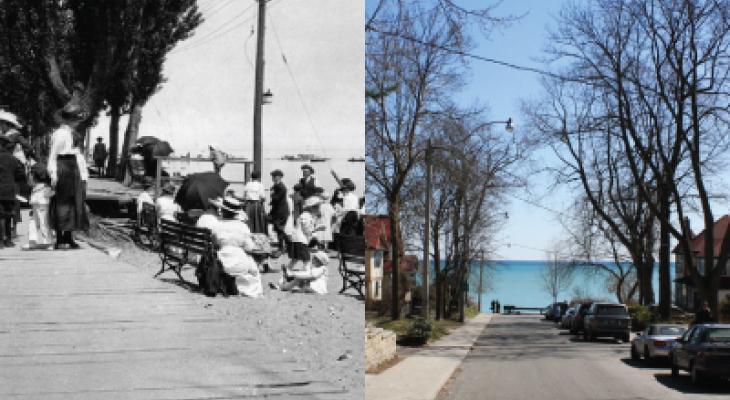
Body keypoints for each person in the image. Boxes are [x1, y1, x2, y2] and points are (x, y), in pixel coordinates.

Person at [48, 105, 89, 250]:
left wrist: (83, 174)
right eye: (76, 119)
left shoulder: (72, 133)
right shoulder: (60, 134)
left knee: (74, 203)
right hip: (63, 166)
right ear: (69, 119)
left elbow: (78, 155)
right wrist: (53, 174)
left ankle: (68, 237)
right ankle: (59, 238)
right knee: (62, 204)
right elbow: (53, 155)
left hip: (73, 167)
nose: (78, 122)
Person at [209, 196, 262, 298]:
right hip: (240, 263)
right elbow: (249, 247)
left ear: (223, 210)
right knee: (252, 264)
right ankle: (243, 287)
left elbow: (214, 243)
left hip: (221, 263)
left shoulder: (217, 225)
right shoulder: (242, 227)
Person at [276, 196, 328, 294]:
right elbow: (307, 230)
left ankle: (285, 275)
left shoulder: (306, 215)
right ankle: (306, 280)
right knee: (307, 260)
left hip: (297, 240)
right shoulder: (306, 216)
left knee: (295, 260)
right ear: (313, 207)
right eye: (317, 207)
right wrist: (318, 229)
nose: (318, 209)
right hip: (301, 240)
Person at [23, 163, 54, 250]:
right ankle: (33, 241)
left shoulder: (41, 185)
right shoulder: (44, 185)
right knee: (34, 222)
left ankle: (48, 242)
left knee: (43, 222)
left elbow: (30, 183)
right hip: (38, 203)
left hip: (41, 204)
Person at [0, 136, 24, 247]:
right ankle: (8, 240)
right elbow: (20, 174)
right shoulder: (12, 159)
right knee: (8, 214)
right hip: (9, 190)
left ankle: (0, 241)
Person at [268, 169, 290, 257]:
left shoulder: (281, 187)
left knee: (279, 229)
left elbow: (276, 198)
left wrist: (272, 194)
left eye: (275, 177)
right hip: (278, 211)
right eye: (273, 177)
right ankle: (287, 245)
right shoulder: (276, 186)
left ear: (280, 177)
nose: (273, 178)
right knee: (278, 229)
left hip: (281, 211)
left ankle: (285, 246)